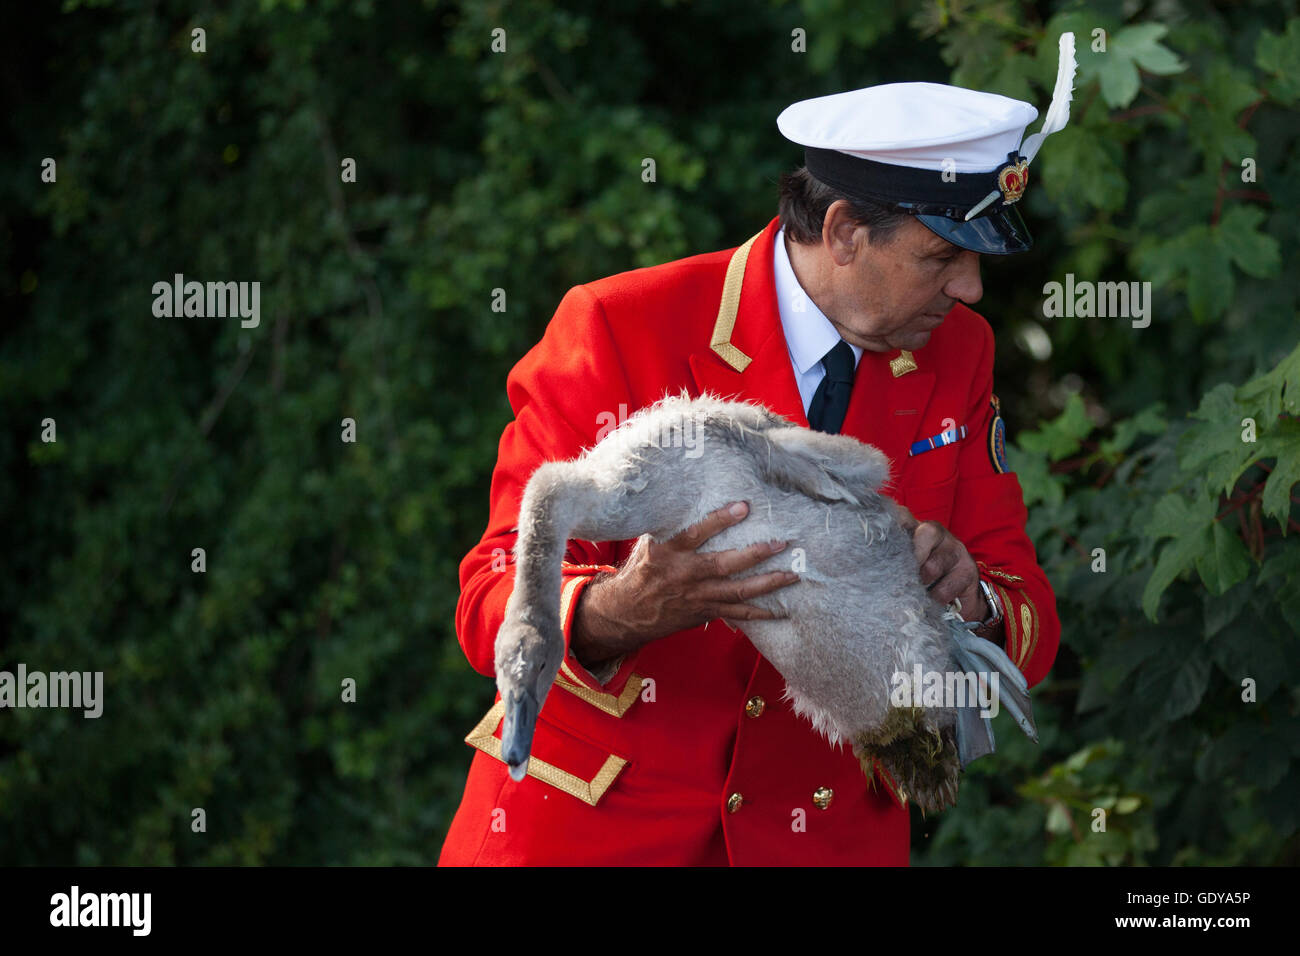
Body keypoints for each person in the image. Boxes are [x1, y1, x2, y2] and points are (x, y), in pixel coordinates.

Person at [439, 60, 1075, 865]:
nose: (973, 289)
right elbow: (489, 598)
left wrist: (970, 598)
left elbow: (1030, 617)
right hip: (591, 838)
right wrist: (620, 610)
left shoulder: (959, 353)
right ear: (844, 230)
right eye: (944, 255)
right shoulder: (618, 324)